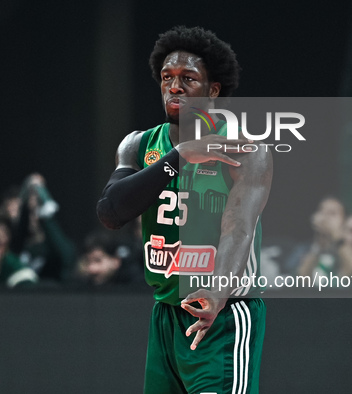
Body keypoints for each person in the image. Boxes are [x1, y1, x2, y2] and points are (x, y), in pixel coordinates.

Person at [97, 26, 272, 393]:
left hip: (222, 313)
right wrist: (177, 159)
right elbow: (111, 212)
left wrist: (216, 293)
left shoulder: (245, 149)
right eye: (167, 78)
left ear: (212, 90)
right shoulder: (138, 144)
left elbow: (239, 228)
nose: (174, 87)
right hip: (165, 313)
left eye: (188, 78)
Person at [296, 197, 352, 279]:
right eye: (321, 211)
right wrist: (318, 244)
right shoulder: (305, 248)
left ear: (344, 221)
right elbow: (302, 280)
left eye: (332, 213)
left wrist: (337, 237)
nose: (325, 217)